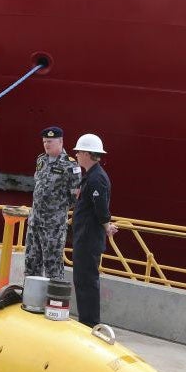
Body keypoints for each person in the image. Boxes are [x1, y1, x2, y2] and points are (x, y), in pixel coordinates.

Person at [71, 133, 118, 327]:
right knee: (82, 279)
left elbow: (100, 208)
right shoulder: (91, 176)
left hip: (89, 238)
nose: (76, 156)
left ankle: (89, 322)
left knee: (86, 280)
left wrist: (107, 226)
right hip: (84, 235)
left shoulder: (96, 178)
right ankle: (86, 319)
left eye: (79, 152)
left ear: (88, 154)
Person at [24, 126, 81, 281]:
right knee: (31, 261)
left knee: (52, 264)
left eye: (50, 141)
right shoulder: (41, 159)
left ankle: (53, 301)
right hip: (35, 221)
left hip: (53, 225)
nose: (46, 144)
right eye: (44, 141)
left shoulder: (70, 165)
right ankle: (30, 298)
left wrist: (56, 210)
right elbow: (38, 185)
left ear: (60, 141)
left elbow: (74, 196)